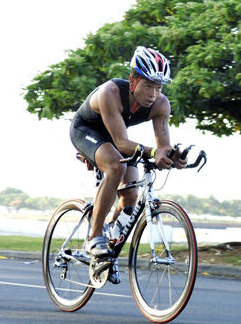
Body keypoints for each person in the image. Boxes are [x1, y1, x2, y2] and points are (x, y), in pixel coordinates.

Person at [69, 46, 186, 283]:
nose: (153, 93)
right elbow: (122, 143)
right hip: (87, 131)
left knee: (131, 195)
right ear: (133, 80)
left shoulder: (161, 105)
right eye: (148, 85)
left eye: (159, 87)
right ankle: (95, 237)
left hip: (115, 136)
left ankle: (107, 251)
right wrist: (154, 152)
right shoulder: (110, 92)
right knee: (116, 166)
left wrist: (172, 157)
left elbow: (161, 147)